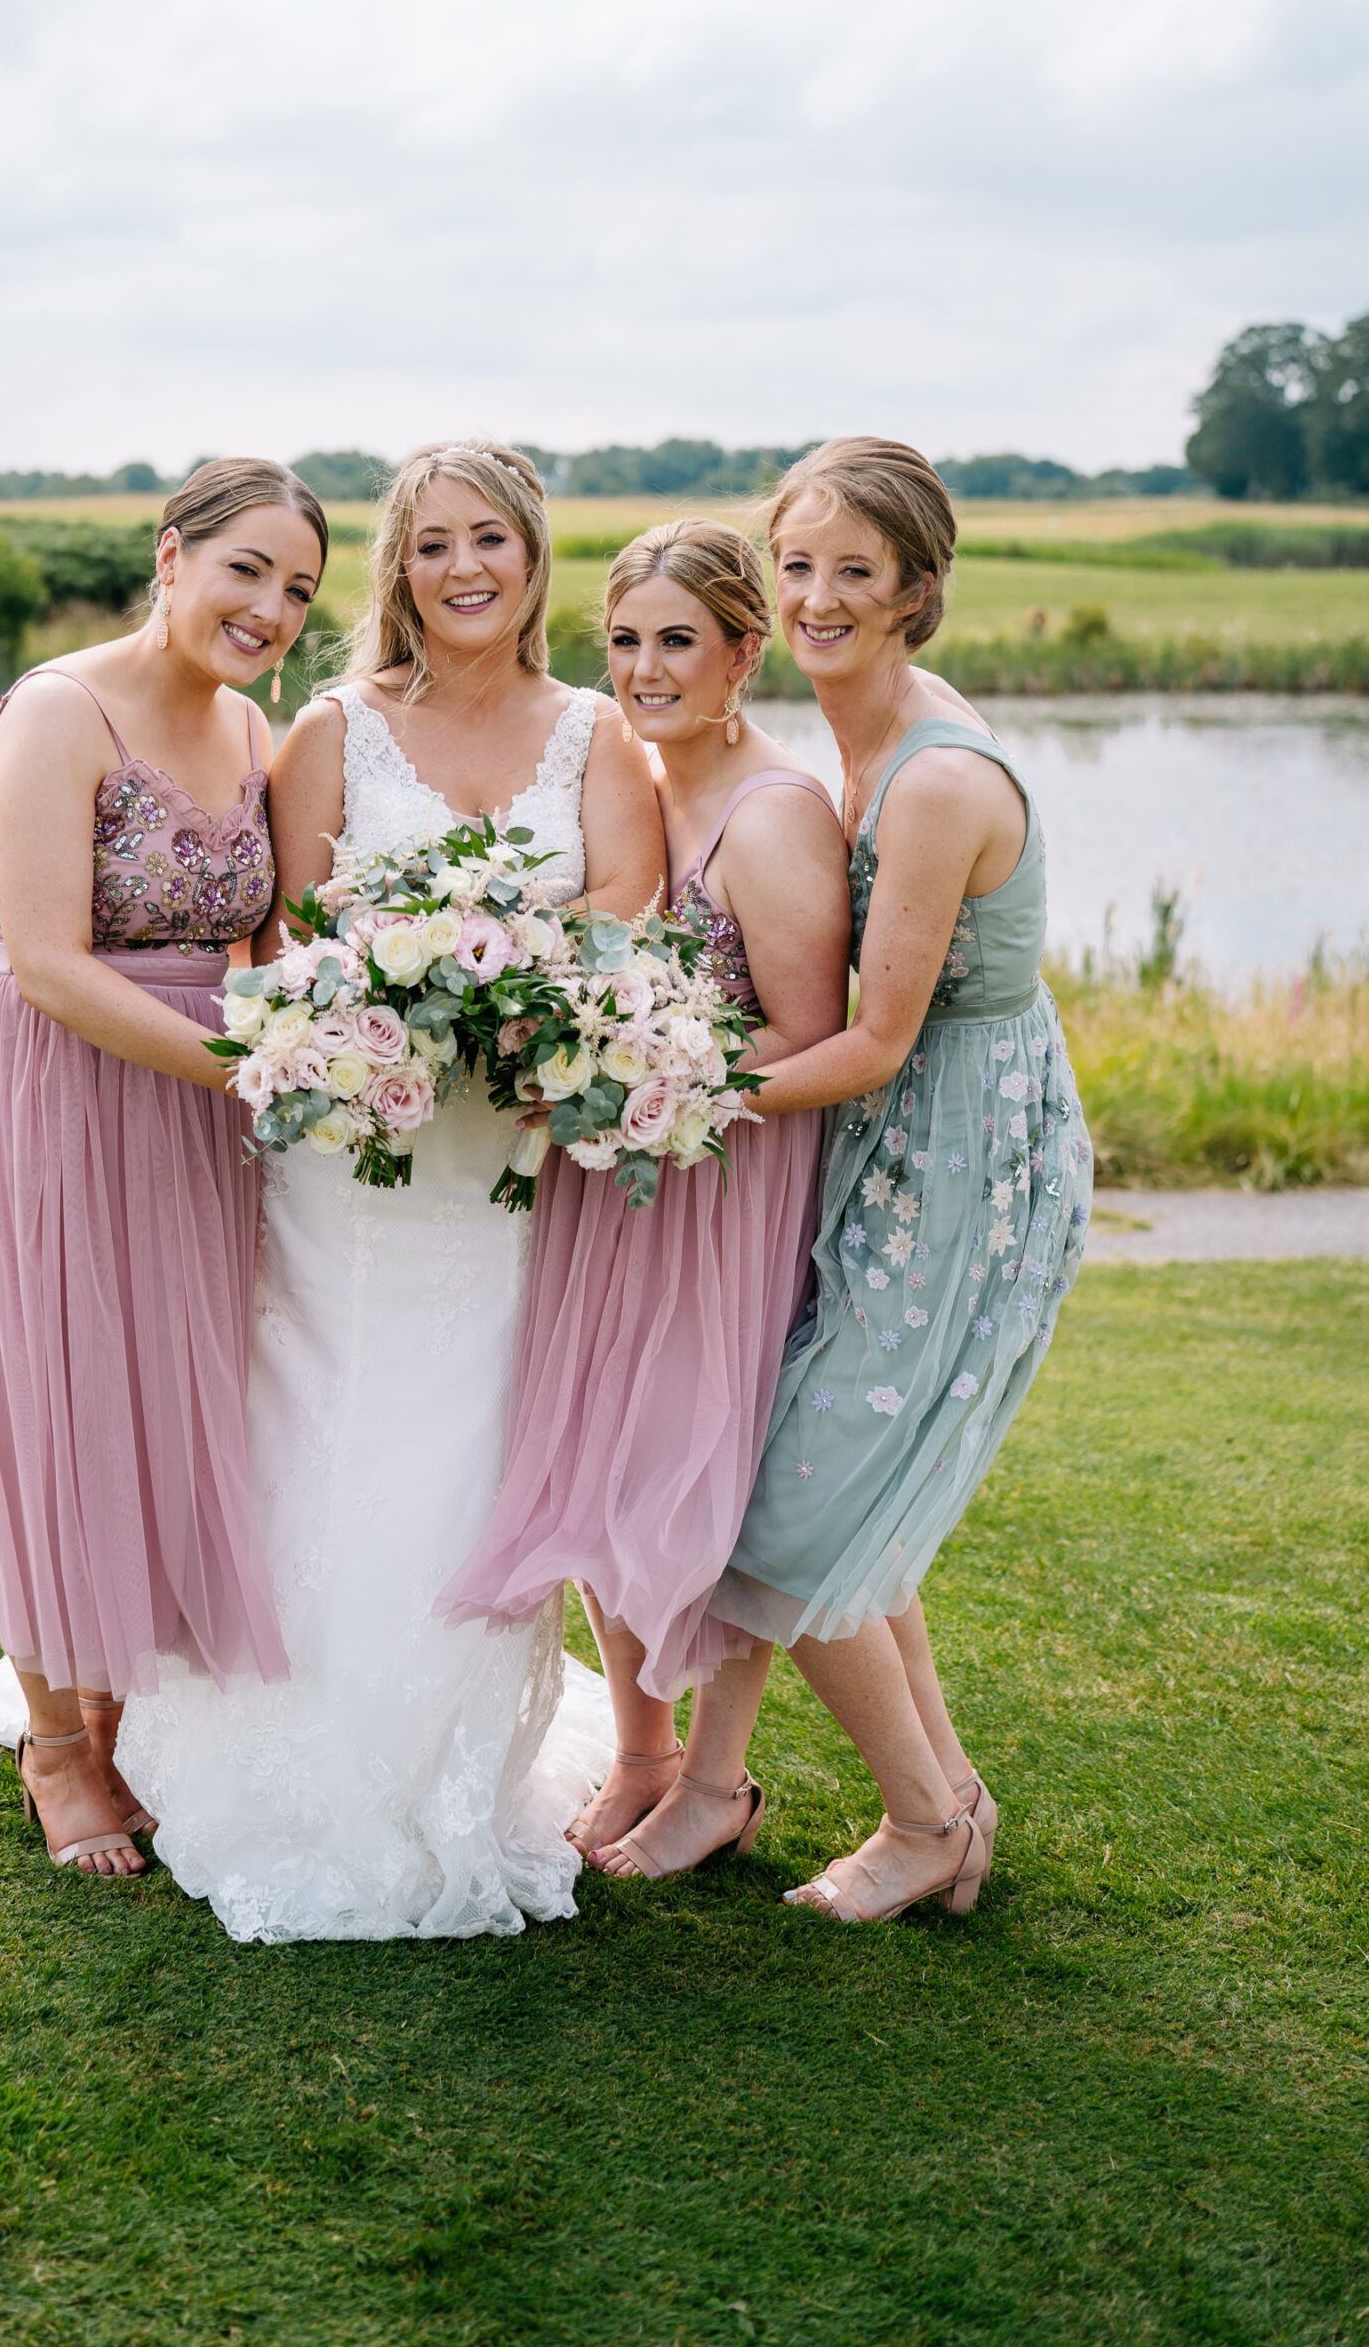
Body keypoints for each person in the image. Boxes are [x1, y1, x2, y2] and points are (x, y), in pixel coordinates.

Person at [116, 440, 665, 1942]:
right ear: (398, 571)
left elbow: (625, 917)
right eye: (431, 545)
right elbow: (280, 939)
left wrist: (531, 1005)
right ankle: (278, 1753)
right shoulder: (333, 730)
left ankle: (453, 1766)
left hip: (496, 1160)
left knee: (471, 1422)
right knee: (318, 1406)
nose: (462, 568)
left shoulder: (600, 736)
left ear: (534, 557)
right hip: (348, 1155)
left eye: (488, 538)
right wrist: (369, 1021)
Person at [597, 437, 1093, 1917]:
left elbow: (877, 1042)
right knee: (834, 1494)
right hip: (888, 1150)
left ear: (915, 592)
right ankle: (871, 1796)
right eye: (797, 563)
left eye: (850, 575)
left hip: (965, 1165)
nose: (814, 598)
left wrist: (668, 1085)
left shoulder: (935, 779)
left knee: (794, 1517)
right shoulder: (850, 744)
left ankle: (925, 1820)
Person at [0, 459, 327, 1877]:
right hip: (49, 1075)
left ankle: (109, 1702)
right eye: (248, 570)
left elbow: (261, 934)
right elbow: (43, 960)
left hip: (198, 1104)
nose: (270, 608)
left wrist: (329, 1023)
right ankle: (54, 1745)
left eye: (300, 590)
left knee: (160, 1386)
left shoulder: (252, 723)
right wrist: (241, 1067)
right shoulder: (56, 709)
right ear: (172, 554)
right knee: (49, 1388)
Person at [438, 519, 850, 1877]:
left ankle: (718, 1785)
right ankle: (641, 1754)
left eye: (679, 640)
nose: (646, 667)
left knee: (694, 1478)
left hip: (720, 1186)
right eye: (625, 640)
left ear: (746, 648)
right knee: (603, 1465)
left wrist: (657, 1094)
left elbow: (802, 1033)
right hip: (614, 1180)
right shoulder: (632, 786)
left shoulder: (774, 810)